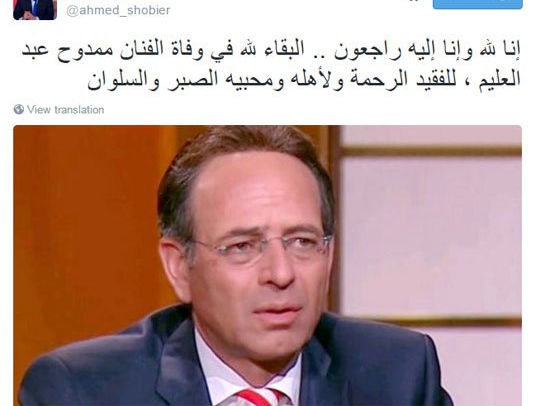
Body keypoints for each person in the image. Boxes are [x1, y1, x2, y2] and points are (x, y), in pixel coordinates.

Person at [19, 126, 453, 405]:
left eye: (302, 242)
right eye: (243, 246)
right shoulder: (83, 391)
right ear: (179, 266)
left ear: (329, 253)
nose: (281, 273)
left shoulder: (398, 374)